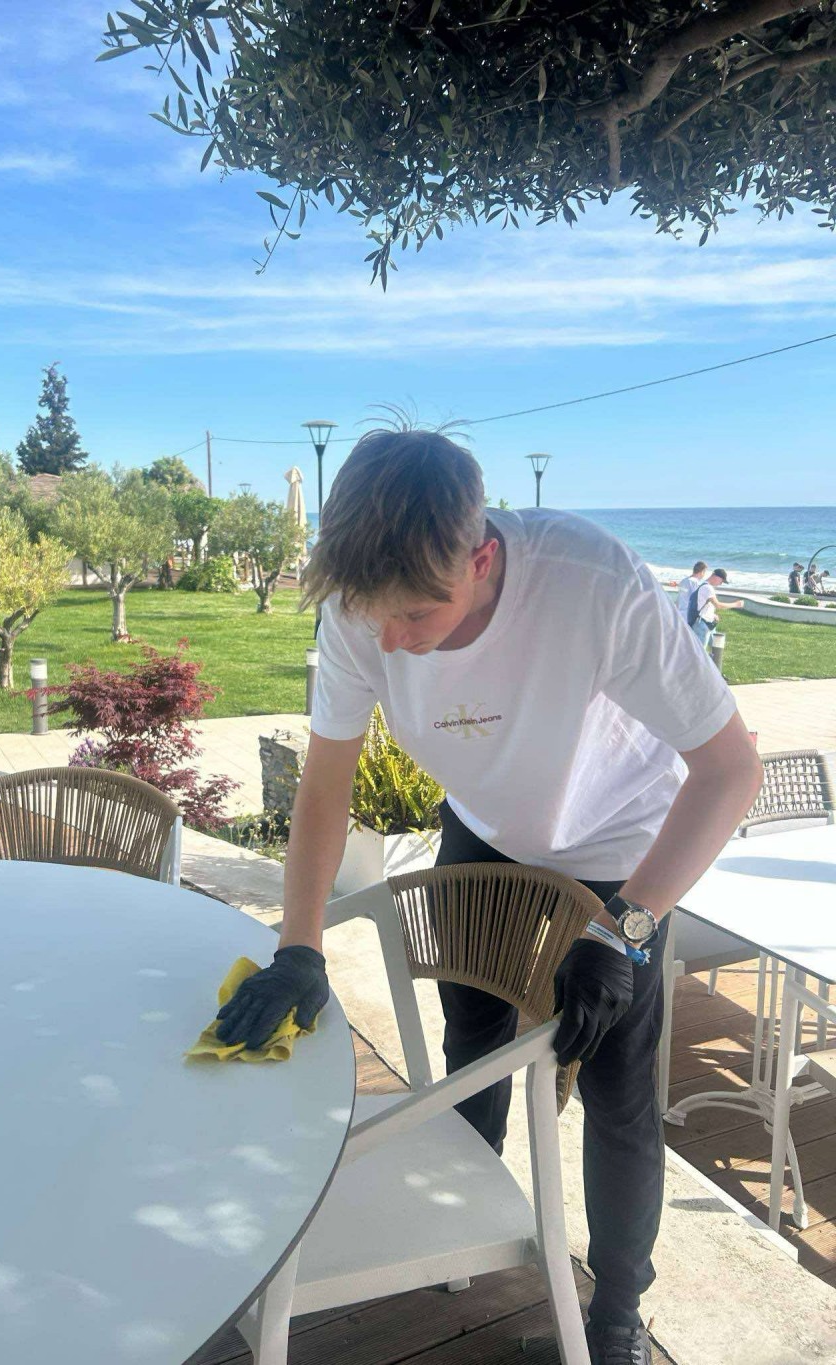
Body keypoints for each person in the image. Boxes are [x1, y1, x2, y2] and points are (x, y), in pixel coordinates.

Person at [215, 430, 762, 1365]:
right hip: (482, 824)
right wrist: (299, 946)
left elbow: (730, 769)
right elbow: (325, 783)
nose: (391, 641)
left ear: (482, 558)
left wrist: (625, 929)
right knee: (471, 1037)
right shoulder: (361, 606)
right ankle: (460, 1221)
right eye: (374, 617)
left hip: (621, 849)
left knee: (616, 1088)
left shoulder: (594, 586)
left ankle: (616, 1311)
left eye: (416, 614)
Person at [688, 568, 744, 651]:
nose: (721, 584)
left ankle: (713, 660)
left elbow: (703, 604)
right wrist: (736, 604)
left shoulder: (704, 585)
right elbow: (718, 605)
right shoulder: (707, 588)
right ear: (716, 576)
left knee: (716, 647)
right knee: (701, 652)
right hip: (702, 624)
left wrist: (712, 615)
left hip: (707, 623)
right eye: (721, 581)